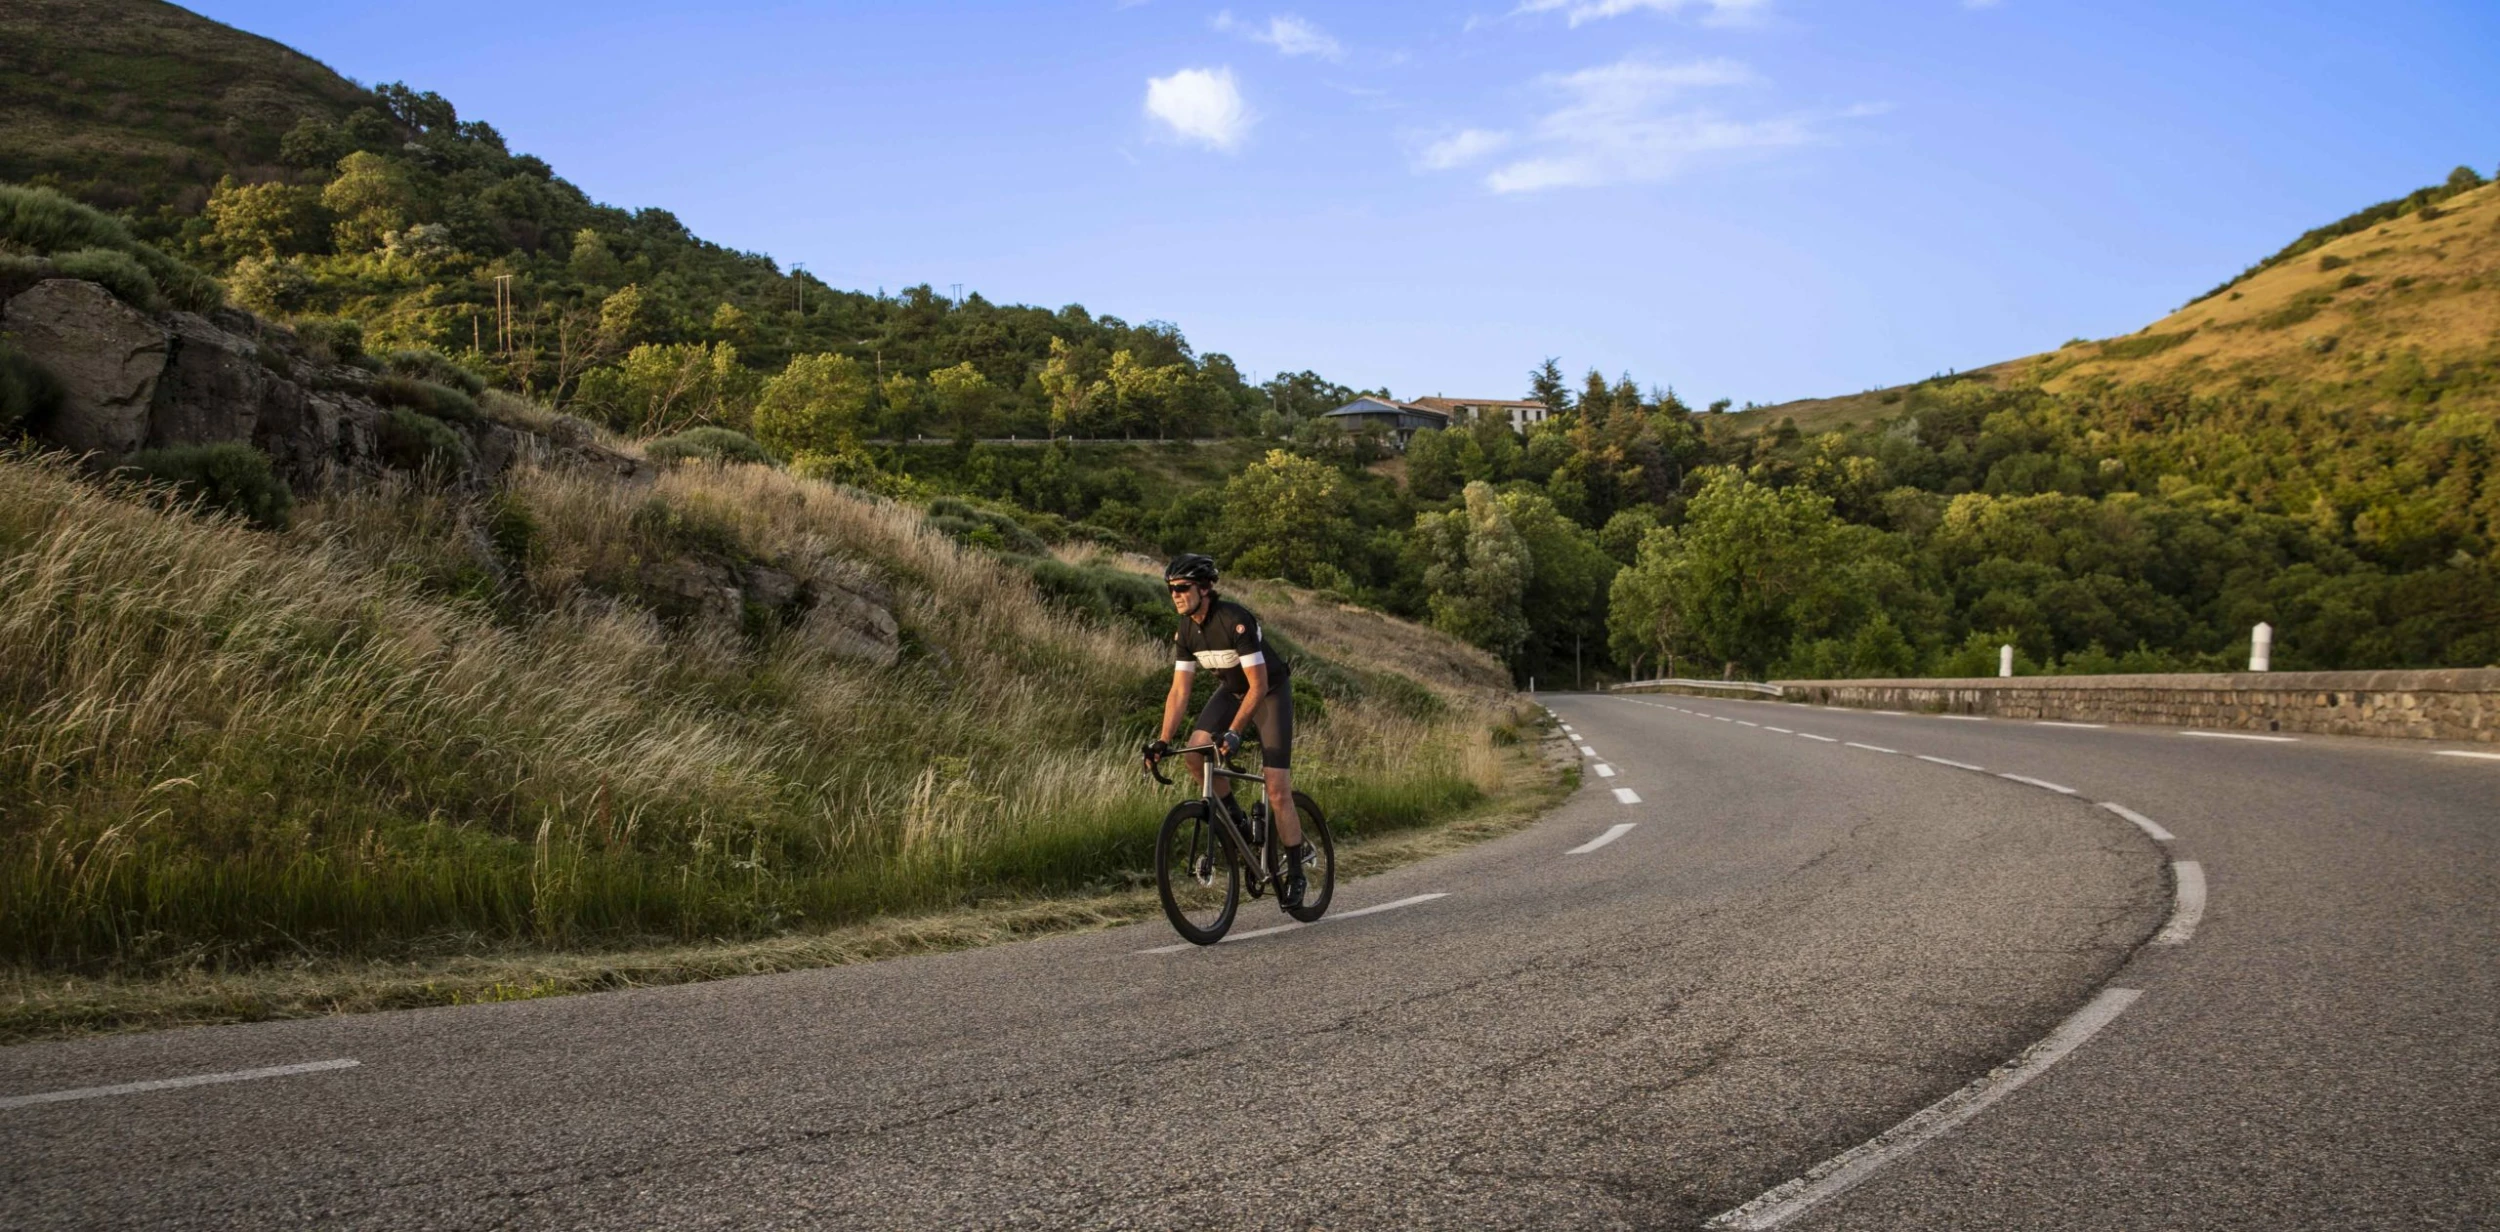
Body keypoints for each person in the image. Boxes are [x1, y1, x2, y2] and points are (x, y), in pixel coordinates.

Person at [1141, 553, 1311, 906]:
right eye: (1170, 588)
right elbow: (1179, 691)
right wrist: (1162, 740)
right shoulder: (1186, 630)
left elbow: (1259, 684)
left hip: (1269, 693)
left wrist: (1234, 732)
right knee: (1194, 753)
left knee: (1278, 789)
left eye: (1182, 587)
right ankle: (1239, 823)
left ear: (1205, 588)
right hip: (1232, 692)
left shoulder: (1234, 620)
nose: (1175, 594)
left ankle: (1295, 871)